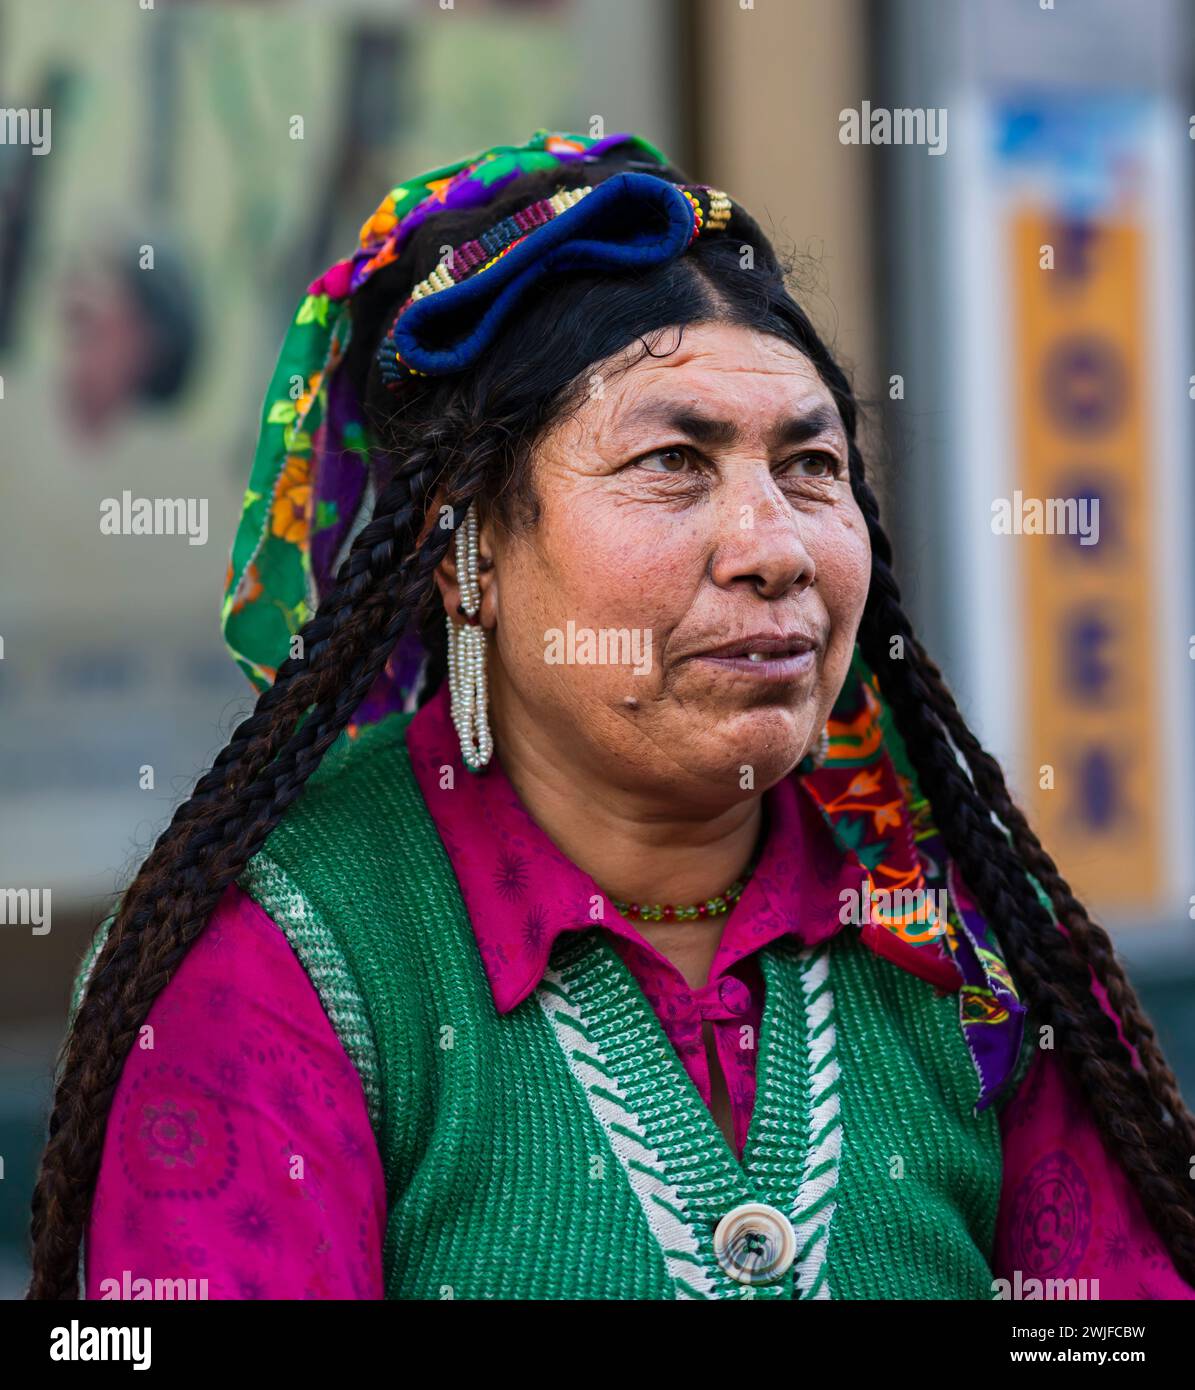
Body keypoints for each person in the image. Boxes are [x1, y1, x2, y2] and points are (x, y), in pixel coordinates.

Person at [28, 131, 1195, 1300]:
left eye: (810, 467)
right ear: (464, 544)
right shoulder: (272, 954)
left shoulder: (970, 933)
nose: (775, 547)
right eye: (674, 461)